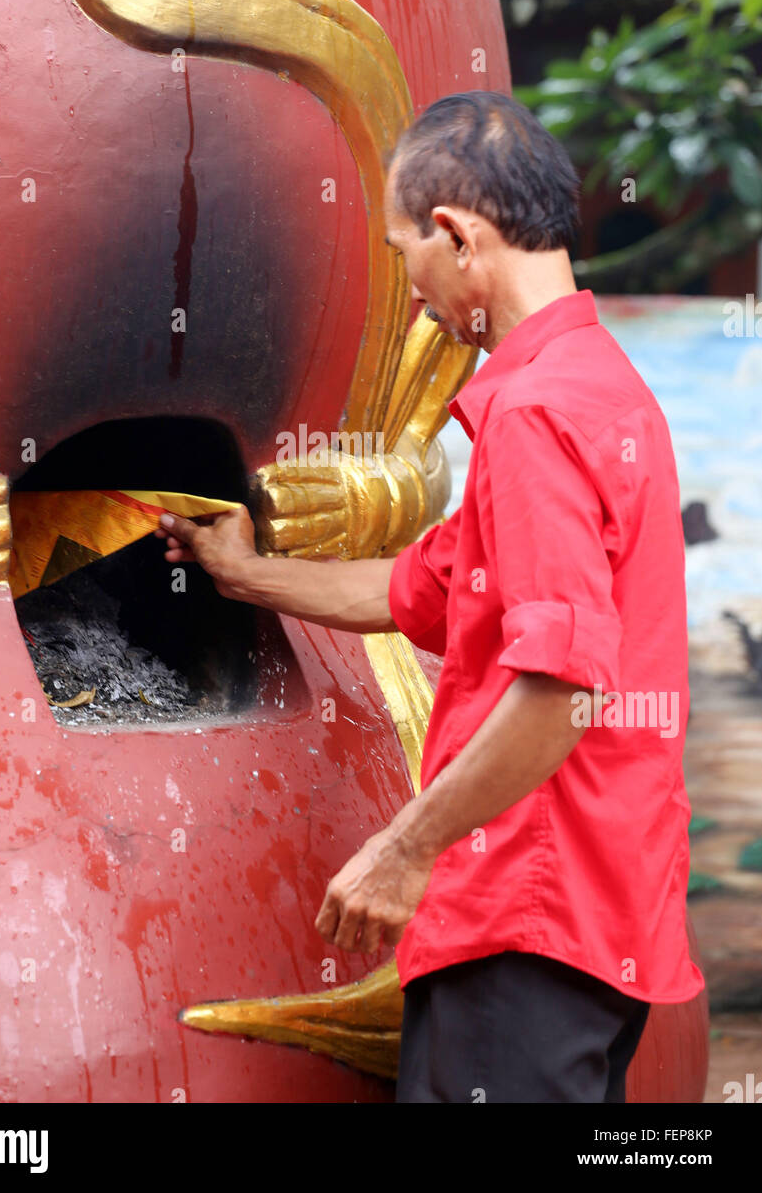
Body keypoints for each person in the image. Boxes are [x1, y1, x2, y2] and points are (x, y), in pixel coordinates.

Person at [155, 90, 705, 1103]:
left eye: (406, 252)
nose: (413, 296)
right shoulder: (601, 389)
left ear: (456, 235)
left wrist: (404, 849)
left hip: (524, 916)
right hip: (599, 916)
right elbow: (420, 590)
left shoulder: (533, 415)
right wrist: (242, 571)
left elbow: (559, 689)